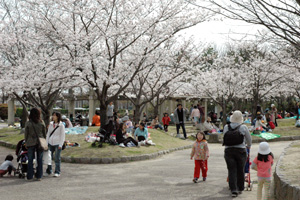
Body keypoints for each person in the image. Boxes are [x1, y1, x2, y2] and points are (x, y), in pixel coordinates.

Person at [223, 110, 252, 197]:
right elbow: (249, 139)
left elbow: (224, 137)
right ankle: (240, 187)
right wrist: (248, 146)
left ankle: (233, 190)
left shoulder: (226, 127)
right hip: (241, 151)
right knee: (240, 169)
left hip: (229, 151)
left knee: (231, 170)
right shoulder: (243, 127)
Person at [25, 108, 46, 181]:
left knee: (30, 160)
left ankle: (30, 176)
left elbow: (26, 134)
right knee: (39, 160)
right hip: (40, 142)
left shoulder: (28, 123)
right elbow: (44, 133)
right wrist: (44, 141)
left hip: (30, 142)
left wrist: (26, 143)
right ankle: (39, 176)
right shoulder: (41, 122)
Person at [46, 112, 65, 177]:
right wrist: (47, 142)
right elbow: (48, 134)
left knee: (57, 158)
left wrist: (60, 144)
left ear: (58, 117)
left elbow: (62, 136)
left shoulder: (61, 125)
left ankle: (57, 171)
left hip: (57, 143)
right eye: (53, 115)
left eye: (54, 115)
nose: (53, 116)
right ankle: (49, 170)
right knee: (48, 157)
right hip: (50, 143)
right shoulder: (51, 124)